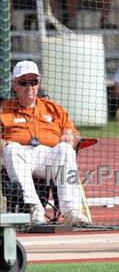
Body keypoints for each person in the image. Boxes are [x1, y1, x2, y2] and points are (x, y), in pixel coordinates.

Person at [0, 61, 90, 225]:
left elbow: (73, 132)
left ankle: (71, 211)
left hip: (49, 156)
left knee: (65, 149)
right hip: (21, 156)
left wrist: (70, 136)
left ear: (38, 83)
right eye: (23, 82)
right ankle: (34, 208)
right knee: (11, 149)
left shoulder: (53, 108)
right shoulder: (4, 109)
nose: (29, 87)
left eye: (33, 82)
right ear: (14, 85)